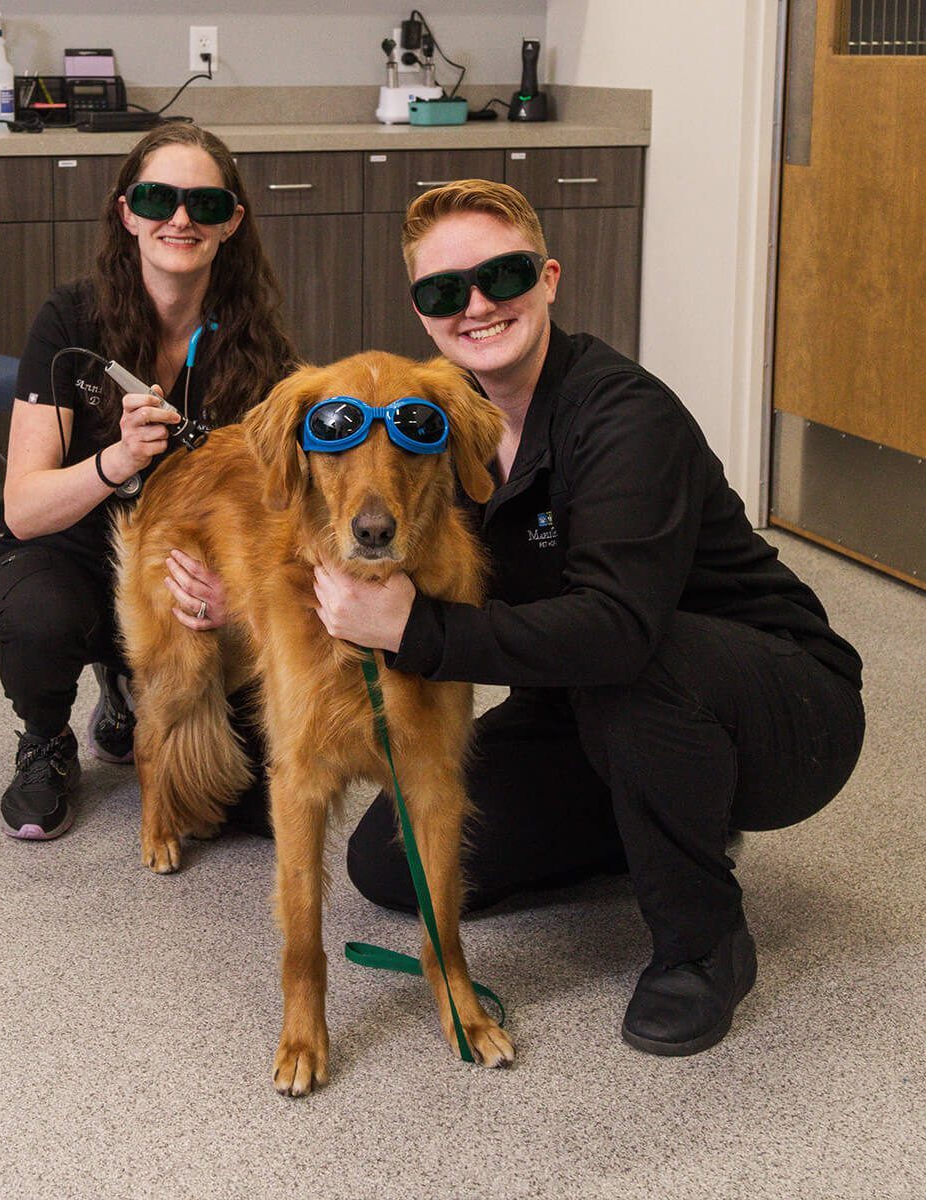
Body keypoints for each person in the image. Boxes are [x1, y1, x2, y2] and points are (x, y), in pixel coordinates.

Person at [312, 179, 865, 1057]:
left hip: (779, 705)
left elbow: (614, 631)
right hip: (585, 699)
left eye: (503, 275)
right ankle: (652, 812)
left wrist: (418, 633)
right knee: (389, 860)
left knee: (630, 666)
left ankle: (703, 943)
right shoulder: (435, 423)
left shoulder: (624, 414)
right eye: (446, 290)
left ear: (549, 278)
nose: (478, 305)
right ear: (422, 312)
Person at [0, 124, 295, 842]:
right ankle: (47, 740)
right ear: (127, 213)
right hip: (71, 554)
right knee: (37, 618)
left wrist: (237, 599)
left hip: (181, 576)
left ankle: (130, 693)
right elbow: (23, 510)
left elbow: (278, 510)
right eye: (157, 199)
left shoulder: (259, 347)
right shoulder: (70, 321)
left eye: (205, 204)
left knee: (239, 808)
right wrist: (116, 462)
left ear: (232, 222)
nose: (180, 219)